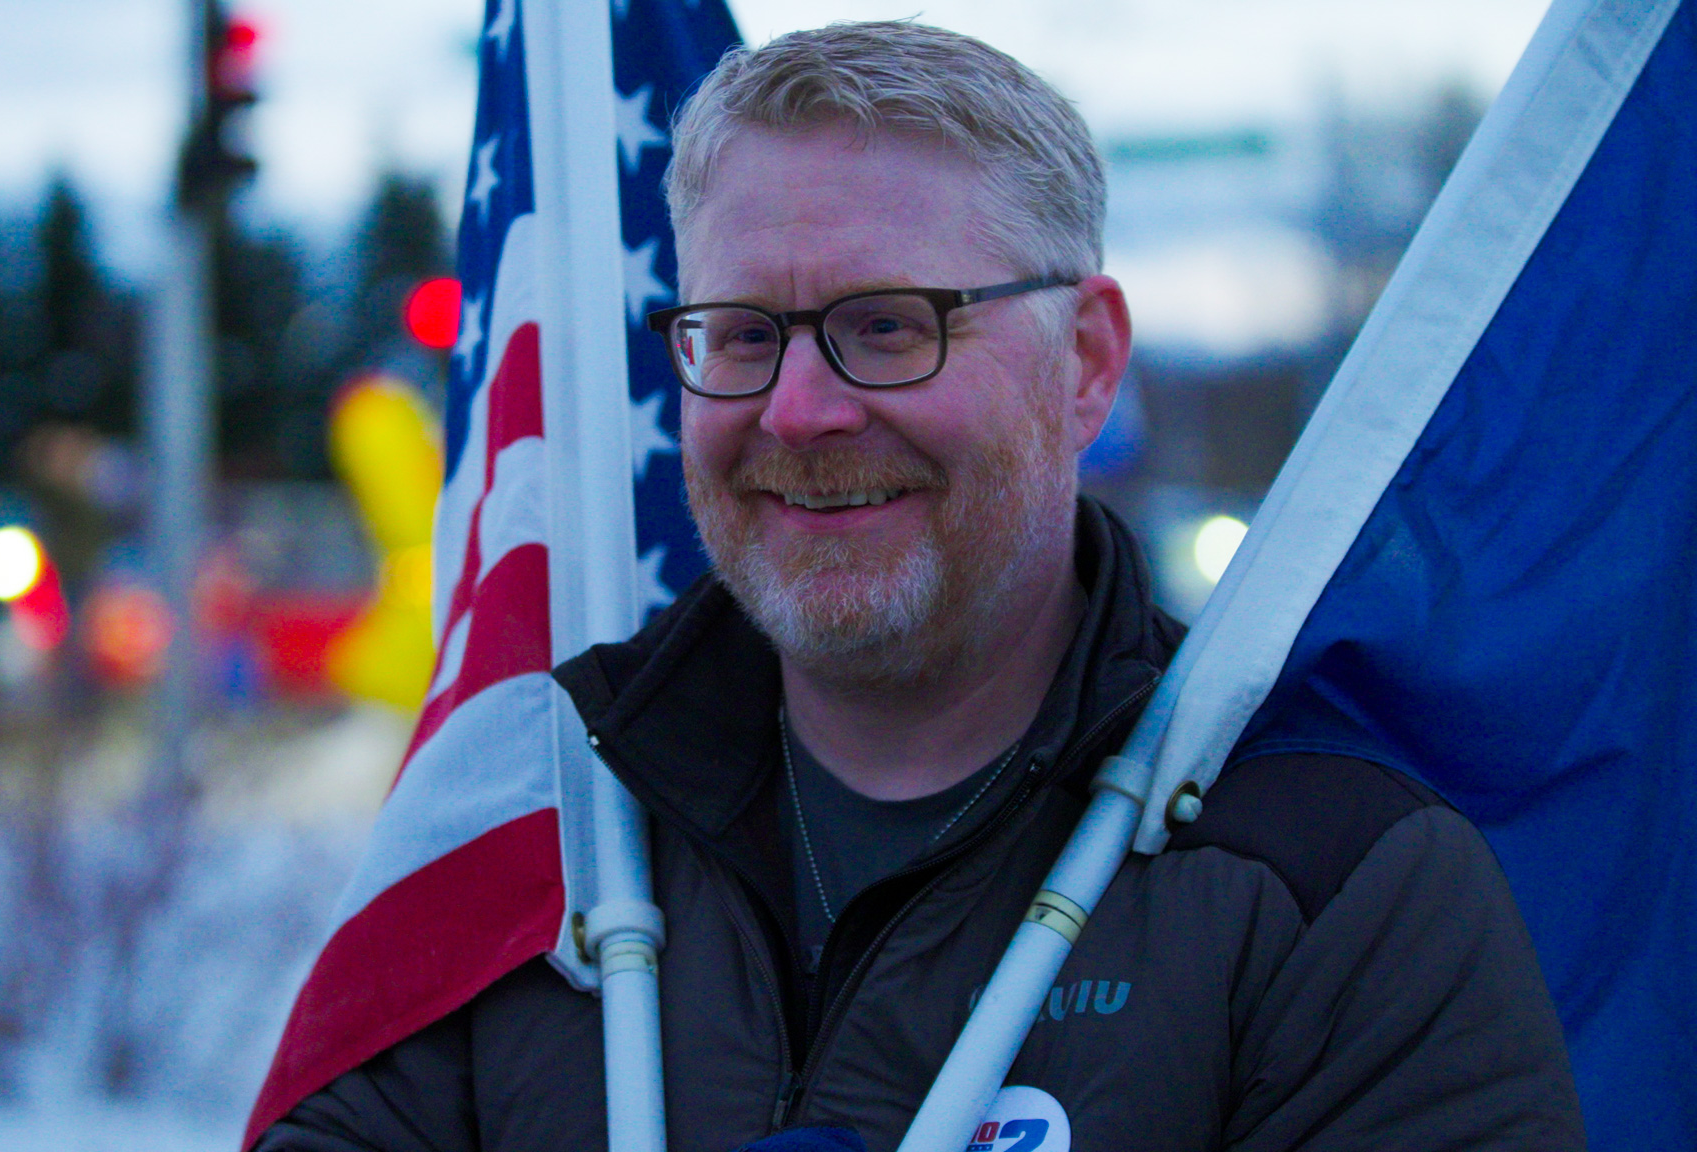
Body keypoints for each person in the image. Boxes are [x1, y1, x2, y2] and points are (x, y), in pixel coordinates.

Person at [257, 21, 1583, 1152]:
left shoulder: (1330, 886)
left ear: (1086, 361)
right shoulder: (528, 837)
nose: (801, 410)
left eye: (887, 326)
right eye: (744, 335)